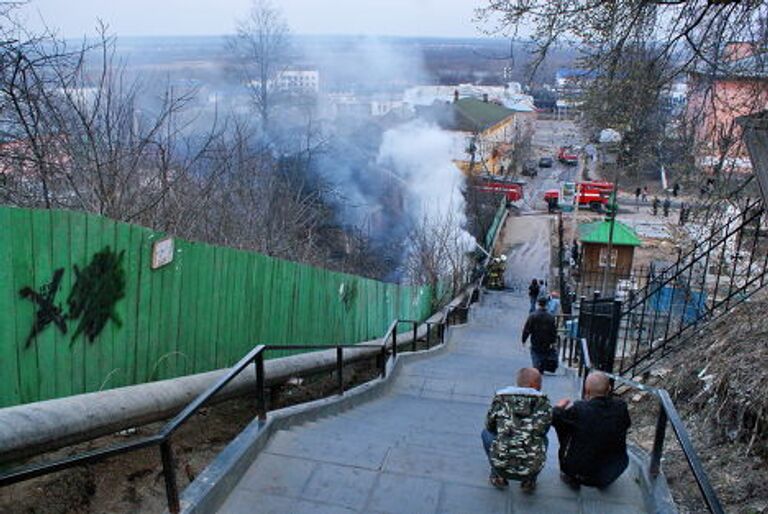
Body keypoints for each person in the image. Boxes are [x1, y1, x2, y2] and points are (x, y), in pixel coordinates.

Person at [552, 372, 631, 488]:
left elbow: (554, 419)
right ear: (609, 389)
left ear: (586, 390)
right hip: (613, 472)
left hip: (580, 474)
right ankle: (603, 478)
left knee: (565, 425)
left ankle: (571, 475)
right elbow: (626, 424)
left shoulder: (579, 409)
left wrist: (558, 408)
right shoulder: (621, 407)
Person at [481, 368, 552, 492]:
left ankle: (498, 475)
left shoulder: (500, 399)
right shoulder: (544, 404)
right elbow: (544, 430)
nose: (541, 387)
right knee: (544, 439)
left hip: (500, 465)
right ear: (533, 385)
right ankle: (529, 480)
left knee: (486, 434)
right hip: (530, 469)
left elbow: (489, 426)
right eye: (540, 383)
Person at [522, 297, 558, 373]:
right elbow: (553, 330)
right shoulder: (550, 317)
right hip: (546, 340)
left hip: (535, 339)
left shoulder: (533, 315)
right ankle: (541, 365)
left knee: (535, 352)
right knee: (544, 353)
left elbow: (527, 328)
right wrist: (553, 340)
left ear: (538, 304)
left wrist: (524, 339)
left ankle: (536, 366)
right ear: (546, 304)